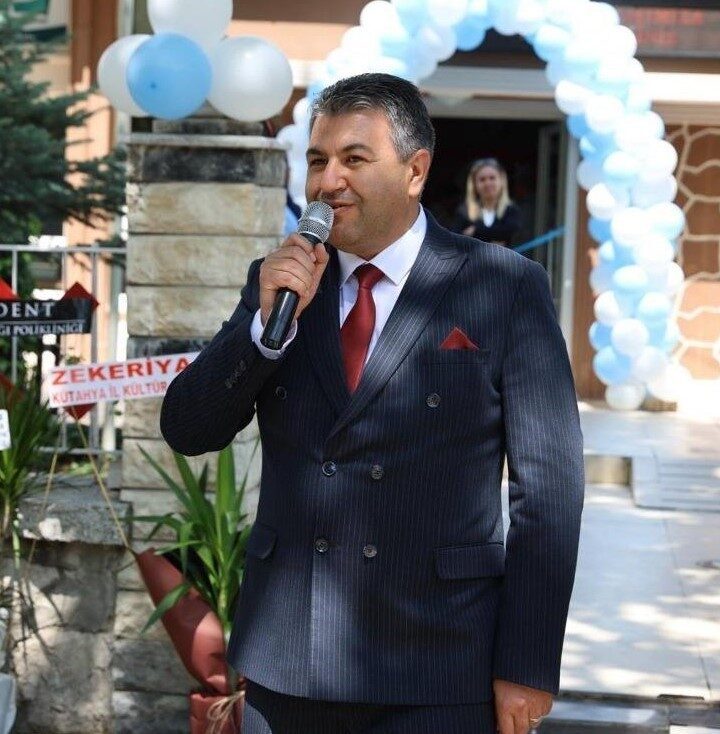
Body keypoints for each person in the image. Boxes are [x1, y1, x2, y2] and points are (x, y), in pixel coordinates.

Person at [160, 73, 584, 734]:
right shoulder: (281, 285)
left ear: (415, 171)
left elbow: (549, 491)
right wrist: (262, 332)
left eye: (354, 159)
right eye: (317, 161)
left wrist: (526, 663)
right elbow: (188, 429)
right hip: (290, 660)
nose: (328, 182)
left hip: (441, 664)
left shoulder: (504, 287)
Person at [451, 157, 523, 247]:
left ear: (502, 181)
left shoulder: (511, 210)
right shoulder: (464, 211)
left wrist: (475, 230)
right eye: (482, 179)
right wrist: (495, 237)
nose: (487, 183)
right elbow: (455, 241)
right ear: (474, 184)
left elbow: (512, 232)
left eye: (492, 178)